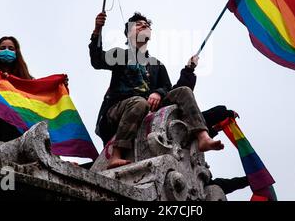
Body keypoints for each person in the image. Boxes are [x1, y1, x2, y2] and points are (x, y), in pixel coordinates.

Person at [89, 12, 224, 169]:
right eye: (138, 24)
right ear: (128, 33)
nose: (144, 25)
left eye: (147, 25)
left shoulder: (156, 65)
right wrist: (97, 30)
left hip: (147, 108)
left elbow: (170, 90)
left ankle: (203, 136)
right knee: (139, 103)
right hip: (118, 110)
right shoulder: (120, 55)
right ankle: (116, 155)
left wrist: (187, 71)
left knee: (184, 91)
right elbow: (97, 60)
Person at [174, 55, 250, 195]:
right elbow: (181, 90)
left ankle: (206, 134)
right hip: (175, 125)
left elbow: (217, 186)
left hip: (186, 130)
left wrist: (248, 180)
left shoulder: (200, 176)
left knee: (213, 189)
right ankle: (206, 135)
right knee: (221, 110)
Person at [0, 36, 33, 145]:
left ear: (16, 53)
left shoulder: (26, 78)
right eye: (3, 48)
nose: (6, 51)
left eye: (11, 48)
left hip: (17, 125)